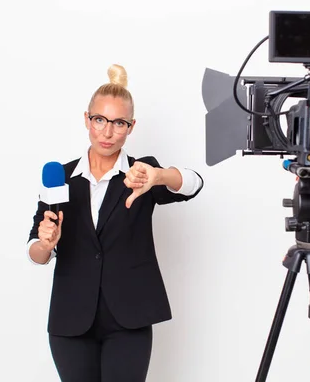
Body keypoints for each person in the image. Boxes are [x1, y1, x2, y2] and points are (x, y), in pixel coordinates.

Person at [26, 64, 203, 381]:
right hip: (71, 321)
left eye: (119, 123)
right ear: (86, 120)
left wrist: (159, 175)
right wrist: (45, 243)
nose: (108, 133)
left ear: (131, 126)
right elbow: (37, 253)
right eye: (100, 120)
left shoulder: (142, 174)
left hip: (129, 318)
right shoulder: (61, 177)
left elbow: (194, 184)